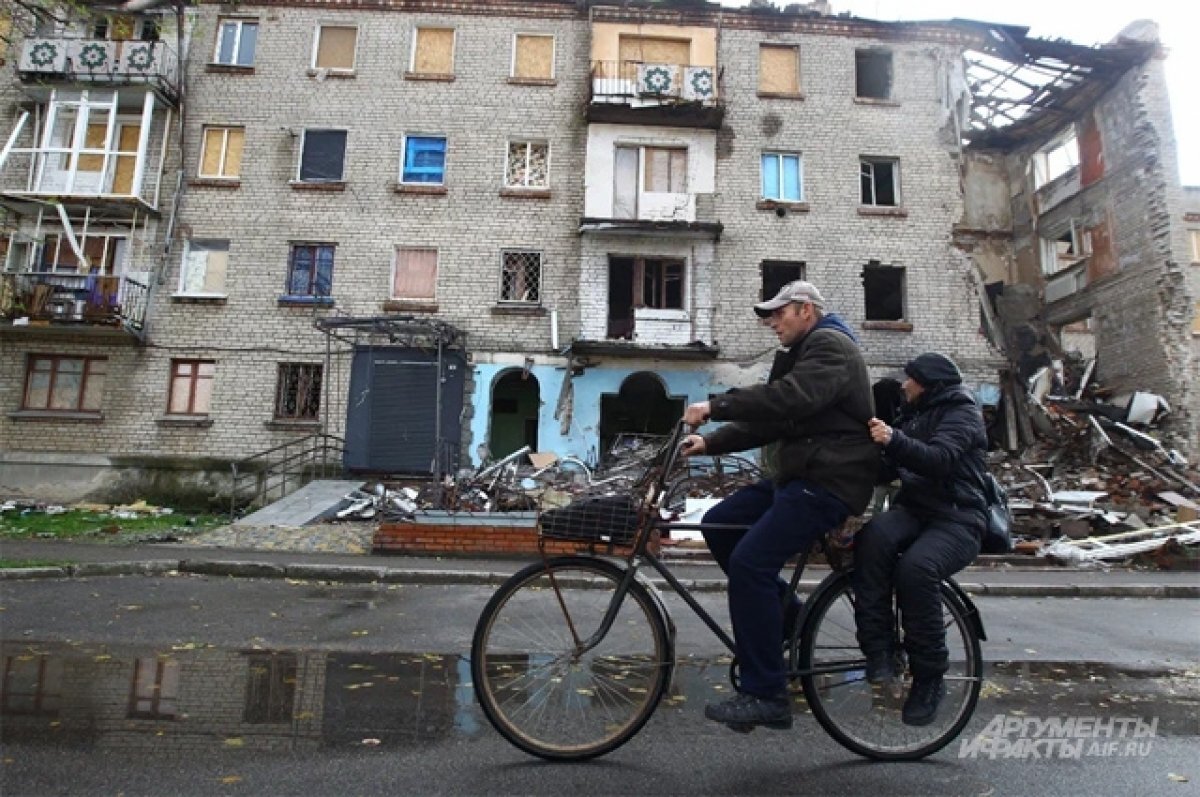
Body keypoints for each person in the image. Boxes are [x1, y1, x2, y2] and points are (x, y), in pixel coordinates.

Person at [680, 280, 879, 732]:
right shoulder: (802, 353)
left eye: (778, 313)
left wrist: (715, 405)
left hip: (829, 481)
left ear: (805, 310)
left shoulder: (830, 345)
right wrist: (708, 442)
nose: (772, 323)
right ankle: (789, 618)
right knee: (720, 524)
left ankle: (766, 693)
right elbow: (771, 418)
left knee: (751, 562)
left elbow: (790, 398)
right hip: (800, 476)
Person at [852, 352, 987, 727]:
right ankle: (878, 652)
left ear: (929, 383)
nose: (904, 385)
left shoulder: (962, 413)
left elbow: (939, 458)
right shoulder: (913, 414)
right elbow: (892, 465)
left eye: (910, 379)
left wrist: (894, 440)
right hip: (916, 510)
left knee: (916, 569)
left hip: (959, 517)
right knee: (873, 538)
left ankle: (929, 677)